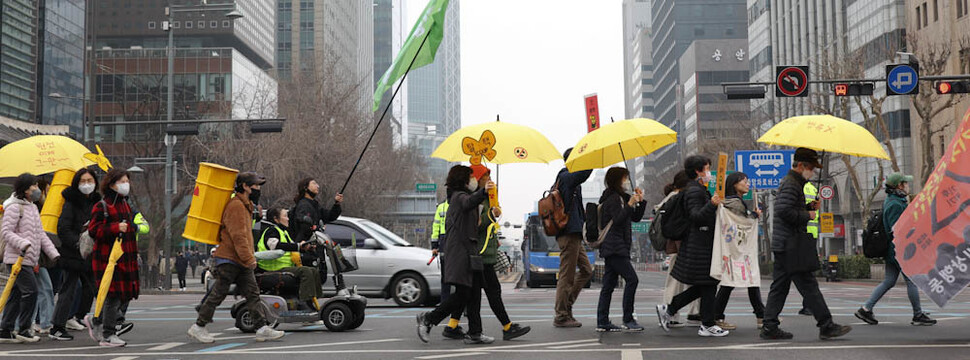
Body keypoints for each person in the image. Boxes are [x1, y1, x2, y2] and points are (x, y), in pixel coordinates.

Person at [761, 148, 851, 340]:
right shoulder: (792, 184)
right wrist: (807, 214)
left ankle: (769, 326)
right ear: (800, 165)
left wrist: (808, 207)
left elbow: (788, 208)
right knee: (808, 285)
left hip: (785, 243)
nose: (812, 171)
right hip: (791, 244)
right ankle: (826, 325)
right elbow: (784, 211)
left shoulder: (794, 183)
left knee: (780, 286)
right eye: (810, 167)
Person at [188, 172, 284, 344]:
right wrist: (249, 259)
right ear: (245, 186)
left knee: (252, 293)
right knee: (219, 293)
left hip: (239, 259)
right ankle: (199, 326)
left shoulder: (246, 205)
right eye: (256, 185)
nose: (258, 189)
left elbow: (245, 234)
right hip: (229, 259)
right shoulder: (236, 206)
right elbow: (238, 236)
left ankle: (261, 328)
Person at [439, 165, 530, 341]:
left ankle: (454, 326)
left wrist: (494, 213)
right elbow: (476, 224)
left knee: (468, 294)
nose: (489, 179)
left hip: (484, 251)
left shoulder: (485, 196)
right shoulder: (470, 198)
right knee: (486, 292)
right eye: (485, 176)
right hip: (478, 253)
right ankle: (505, 327)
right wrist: (489, 214)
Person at [416, 165, 494, 345]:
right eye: (471, 176)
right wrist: (483, 191)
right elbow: (468, 202)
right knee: (463, 294)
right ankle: (429, 319)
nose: (474, 179)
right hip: (461, 254)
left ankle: (475, 332)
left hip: (469, 252)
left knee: (474, 293)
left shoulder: (461, 197)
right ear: (464, 180)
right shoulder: (458, 197)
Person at [656, 156, 729, 337]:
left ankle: (670, 309)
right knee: (708, 282)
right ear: (698, 171)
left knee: (705, 284)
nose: (709, 173)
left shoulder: (696, 189)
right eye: (707, 169)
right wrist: (712, 204)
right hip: (699, 244)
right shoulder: (694, 191)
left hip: (700, 243)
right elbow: (696, 216)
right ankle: (707, 324)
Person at [854, 173, 936, 326]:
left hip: (894, 250)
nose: (907, 186)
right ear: (899, 186)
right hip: (899, 250)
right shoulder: (895, 204)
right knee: (911, 281)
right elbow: (896, 229)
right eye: (905, 183)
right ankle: (917, 315)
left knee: (889, 281)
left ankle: (866, 309)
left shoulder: (895, 201)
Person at [82, 169, 141, 347]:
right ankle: (108, 333)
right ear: (112, 184)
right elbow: (94, 230)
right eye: (122, 181)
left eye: (127, 181)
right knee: (113, 295)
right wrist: (115, 228)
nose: (126, 185)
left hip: (125, 257)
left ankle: (97, 319)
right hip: (108, 259)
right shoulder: (102, 206)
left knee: (124, 293)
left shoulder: (125, 204)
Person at [1, 173, 61, 344]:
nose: (37, 189)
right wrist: (23, 244)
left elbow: (40, 234)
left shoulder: (32, 207)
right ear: (25, 189)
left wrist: (52, 252)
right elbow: (6, 232)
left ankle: (5, 329)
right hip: (17, 259)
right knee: (31, 291)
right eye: (33, 186)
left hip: (30, 259)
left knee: (16, 294)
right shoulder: (14, 207)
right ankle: (25, 328)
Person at [712, 172, 766, 330]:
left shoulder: (727, 202)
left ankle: (761, 315)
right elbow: (743, 222)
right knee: (740, 280)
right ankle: (717, 316)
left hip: (732, 249)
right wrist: (755, 215)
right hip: (738, 248)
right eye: (744, 181)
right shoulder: (735, 203)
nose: (747, 184)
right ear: (735, 184)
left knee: (743, 280)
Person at [596, 167, 647, 332]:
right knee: (632, 280)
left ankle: (603, 321)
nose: (626, 181)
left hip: (616, 246)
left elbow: (635, 218)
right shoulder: (612, 199)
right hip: (614, 246)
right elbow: (618, 220)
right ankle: (628, 319)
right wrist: (630, 204)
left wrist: (640, 201)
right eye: (624, 178)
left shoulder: (620, 198)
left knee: (609, 285)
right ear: (618, 180)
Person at [552, 148, 594, 328]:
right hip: (568, 233)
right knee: (566, 276)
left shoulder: (571, 181)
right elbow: (582, 174)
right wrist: (591, 160)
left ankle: (567, 305)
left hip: (574, 232)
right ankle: (561, 315)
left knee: (586, 270)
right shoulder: (566, 176)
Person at [256, 207, 324, 311]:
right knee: (305, 272)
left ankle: (314, 300)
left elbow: (291, 247)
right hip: (273, 269)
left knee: (313, 271)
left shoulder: (284, 232)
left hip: (285, 267)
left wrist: (307, 247)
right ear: (276, 219)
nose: (288, 219)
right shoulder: (271, 231)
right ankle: (303, 304)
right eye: (285, 216)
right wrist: (297, 246)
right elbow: (275, 245)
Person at [659, 171, 698, 328]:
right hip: (680, 244)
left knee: (687, 279)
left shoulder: (674, 197)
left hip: (678, 245)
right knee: (677, 280)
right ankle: (670, 311)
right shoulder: (678, 197)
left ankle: (689, 312)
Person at [290, 178, 343, 283]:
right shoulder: (304, 205)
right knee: (312, 280)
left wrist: (336, 204)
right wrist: (315, 228)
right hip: (308, 252)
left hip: (317, 250)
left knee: (319, 279)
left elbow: (329, 216)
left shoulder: (314, 204)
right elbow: (304, 226)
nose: (317, 186)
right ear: (305, 188)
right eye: (314, 184)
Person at [797, 181, 820, 317]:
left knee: (805, 273)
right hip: (811, 232)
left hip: (802, 232)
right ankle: (809, 305)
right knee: (805, 273)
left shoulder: (798, 187)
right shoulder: (812, 188)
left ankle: (809, 305)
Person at [430, 198, 451, 306]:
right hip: (453, 241)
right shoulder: (461, 204)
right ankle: (460, 305)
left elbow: (435, 227)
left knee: (445, 277)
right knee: (459, 278)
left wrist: (434, 245)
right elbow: (436, 226)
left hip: (444, 242)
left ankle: (445, 304)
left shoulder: (441, 207)